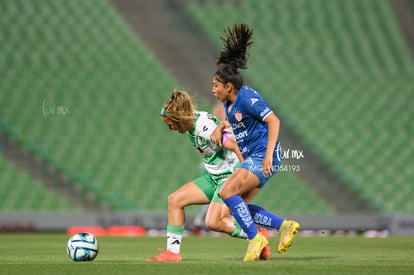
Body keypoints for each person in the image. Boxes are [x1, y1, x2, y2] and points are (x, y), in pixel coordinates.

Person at [210, 23, 300, 262]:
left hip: (262, 156)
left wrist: (269, 155)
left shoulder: (248, 97)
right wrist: (221, 126)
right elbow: (236, 122)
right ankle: (285, 226)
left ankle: (255, 239)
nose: (213, 89)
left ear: (228, 86)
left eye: (216, 86)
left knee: (227, 191)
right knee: (236, 206)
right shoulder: (229, 104)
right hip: (253, 158)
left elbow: (274, 122)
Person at [146, 90, 270, 262]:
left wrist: (244, 173)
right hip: (214, 177)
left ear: (178, 119)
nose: (170, 128)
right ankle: (173, 253)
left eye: (170, 124)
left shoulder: (202, 128)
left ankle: (256, 236)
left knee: (212, 222)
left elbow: (234, 146)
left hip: (228, 177)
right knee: (175, 200)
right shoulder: (191, 122)